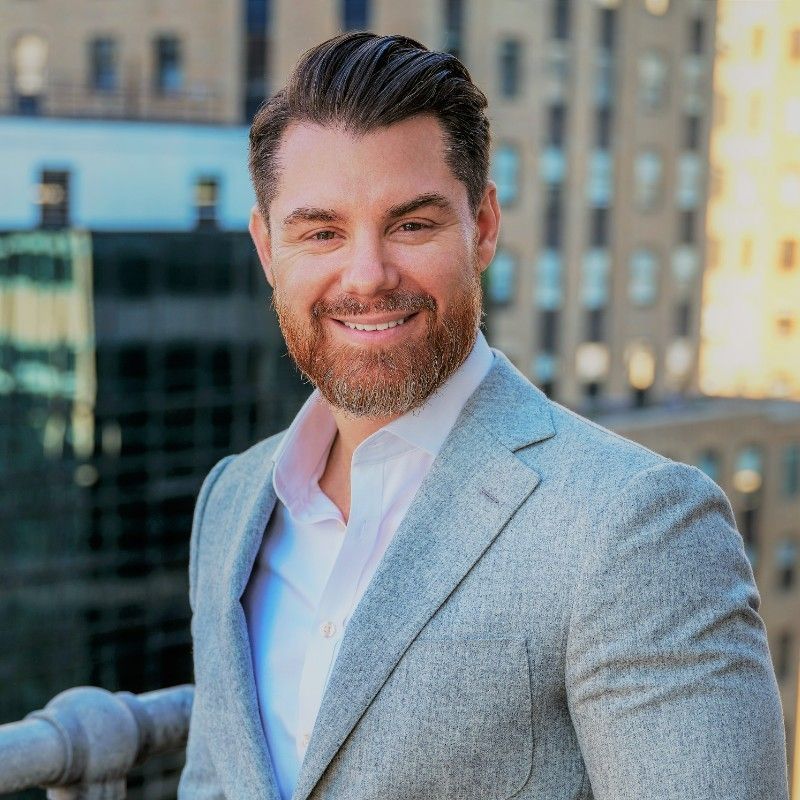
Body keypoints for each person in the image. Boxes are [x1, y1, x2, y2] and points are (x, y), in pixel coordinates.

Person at [178, 32, 788, 800]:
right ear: (268, 250)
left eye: (412, 225)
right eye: (321, 232)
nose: (366, 275)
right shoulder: (231, 501)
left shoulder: (637, 526)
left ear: (485, 228)